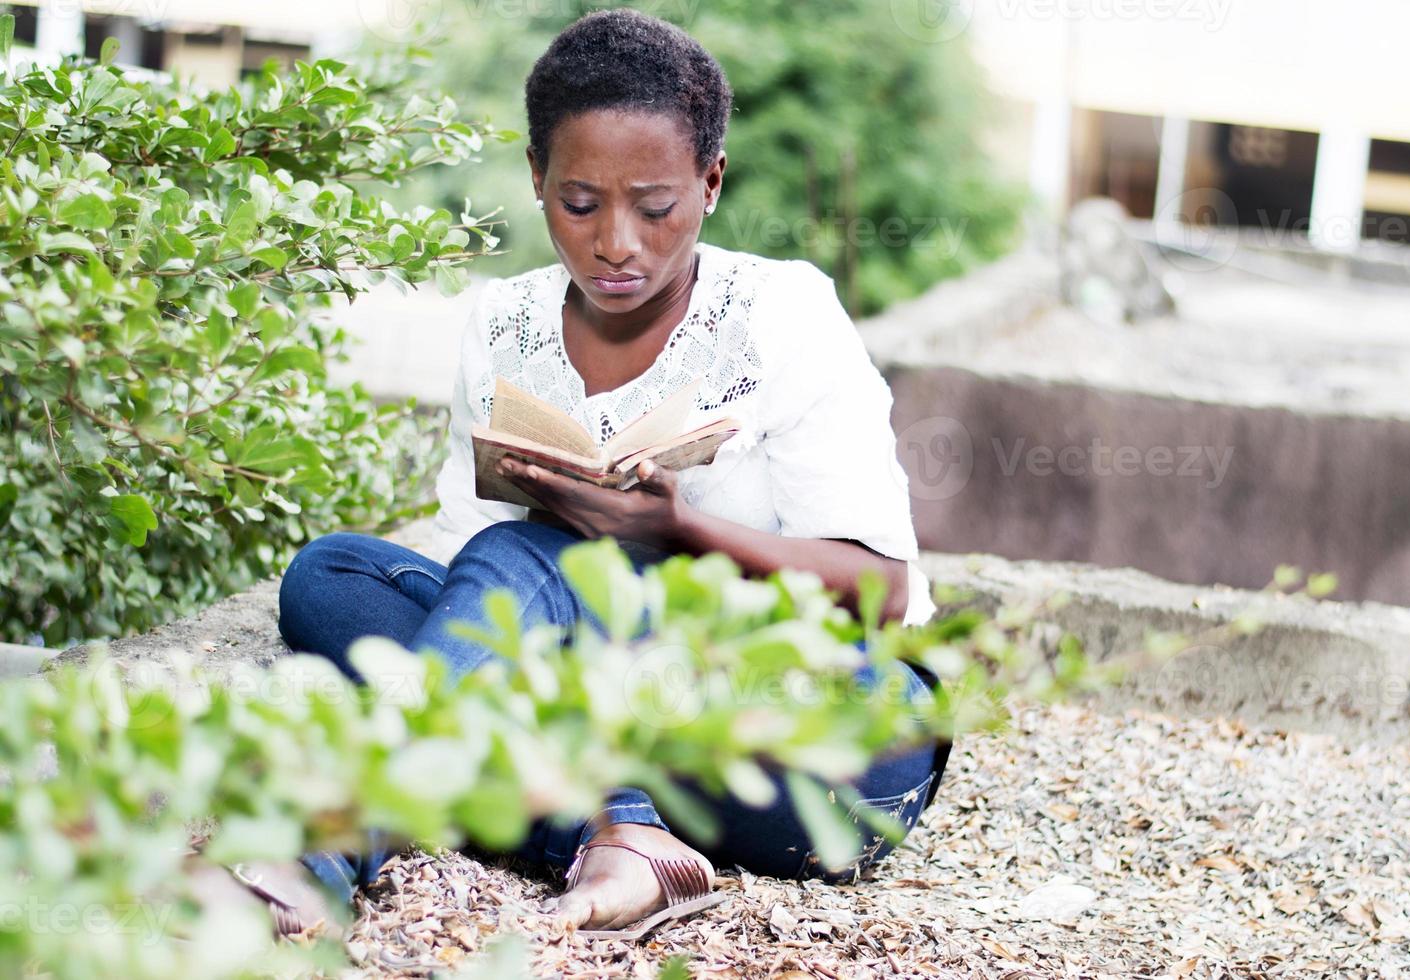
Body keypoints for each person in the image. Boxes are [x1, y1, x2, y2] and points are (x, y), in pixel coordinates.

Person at [258, 8, 947, 939]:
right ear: (537, 180)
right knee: (332, 576)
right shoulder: (506, 324)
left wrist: (674, 533)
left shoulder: (783, 314)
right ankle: (625, 831)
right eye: (578, 204)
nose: (615, 242)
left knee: (535, 565)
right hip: (632, 718)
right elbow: (484, 604)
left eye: (654, 206)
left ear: (710, 184)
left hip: (821, 736)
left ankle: (338, 838)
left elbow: (882, 592)